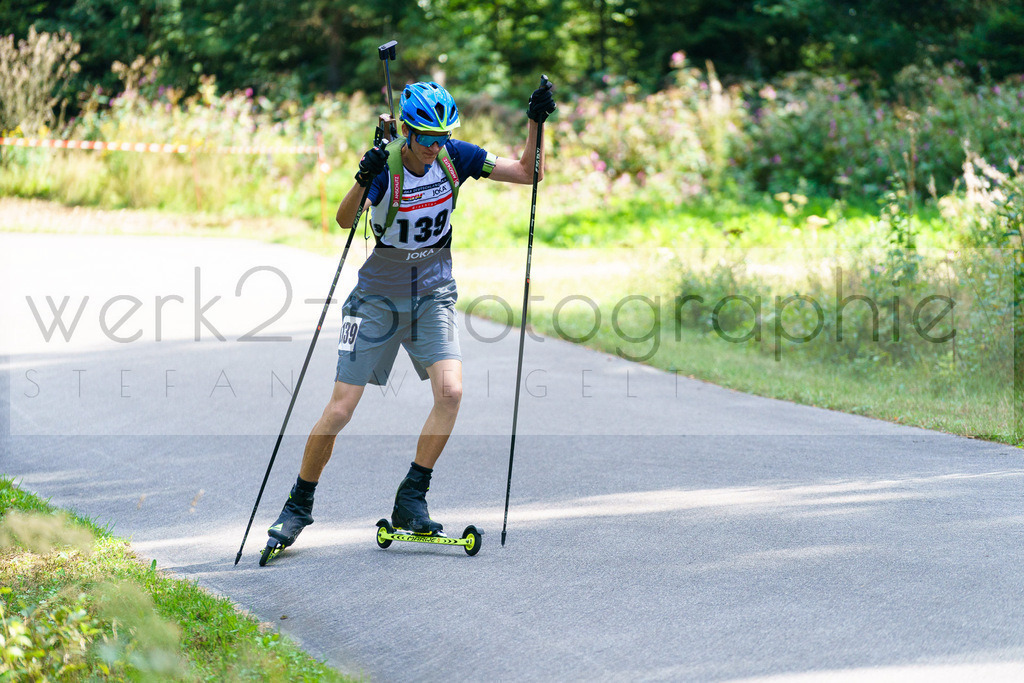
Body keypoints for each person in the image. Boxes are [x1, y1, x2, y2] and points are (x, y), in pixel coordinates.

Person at [266, 78, 556, 547]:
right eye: (425, 136)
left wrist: (536, 123)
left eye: (442, 136)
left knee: (451, 393)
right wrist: (363, 177)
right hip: (377, 299)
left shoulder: (455, 156)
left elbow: (528, 173)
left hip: (433, 293)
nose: (433, 146)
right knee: (341, 409)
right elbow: (344, 220)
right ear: (407, 129)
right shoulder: (388, 166)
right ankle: (298, 506)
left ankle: (412, 497)